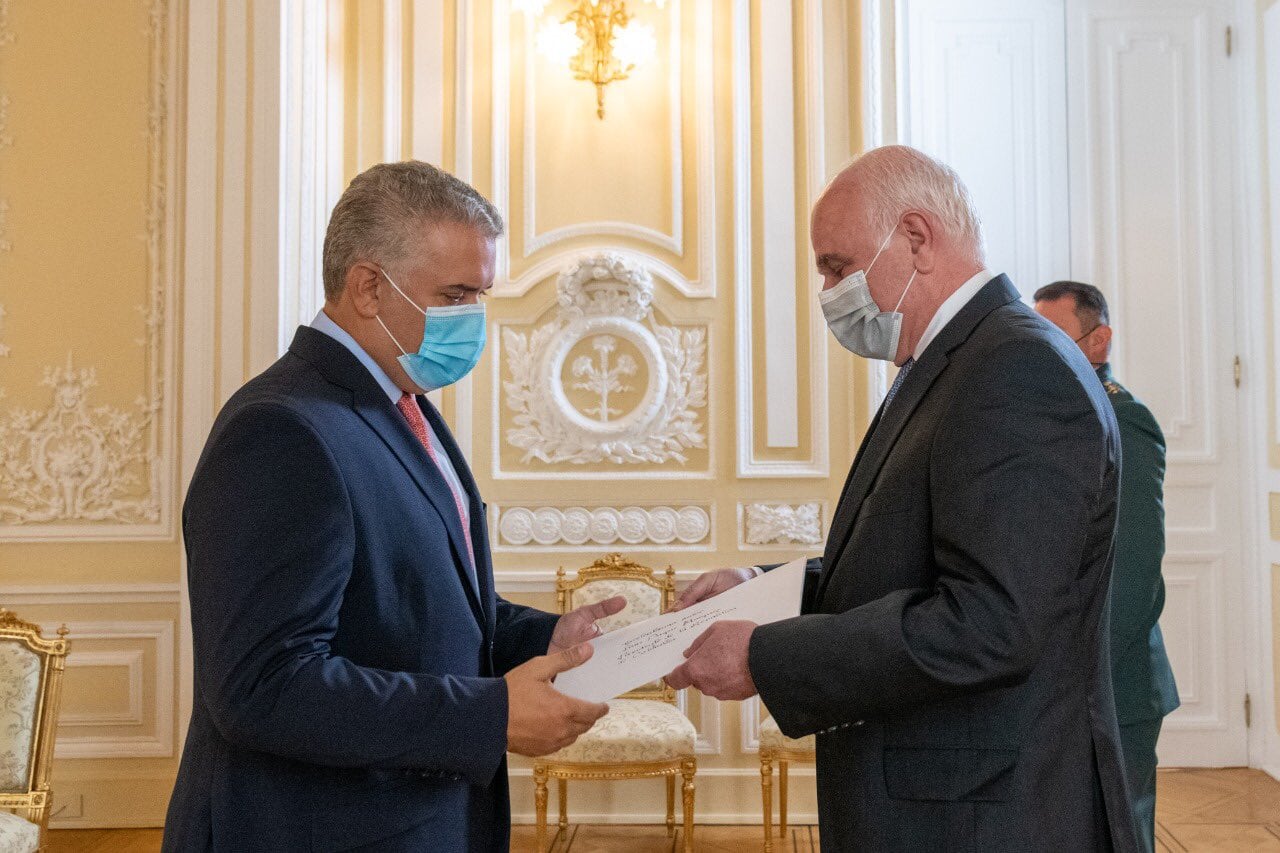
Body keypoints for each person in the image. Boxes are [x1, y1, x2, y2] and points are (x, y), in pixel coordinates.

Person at [667, 146, 1139, 851]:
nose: (827, 289)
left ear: (915, 238)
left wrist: (765, 655)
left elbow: (989, 623)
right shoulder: (954, 362)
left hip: (986, 819)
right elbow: (899, 568)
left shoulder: (1015, 368)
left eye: (836, 265)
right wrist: (756, 591)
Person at [163, 161, 622, 852]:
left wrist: (544, 638)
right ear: (369, 286)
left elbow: (413, 609)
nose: (474, 318)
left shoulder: (402, 404)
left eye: (481, 294)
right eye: (456, 294)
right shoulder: (282, 429)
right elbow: (263, 686)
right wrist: (489, 715)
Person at [1035, 280, 1179, 853]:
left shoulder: (1126, 419)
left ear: (1100, 341)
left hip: (1116, 681)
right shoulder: (1061, 412)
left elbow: (1133, 569)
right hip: (1070, 681)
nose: (1043, 348)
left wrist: (1087, 679)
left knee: (1124, 833)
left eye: (1056, 335)